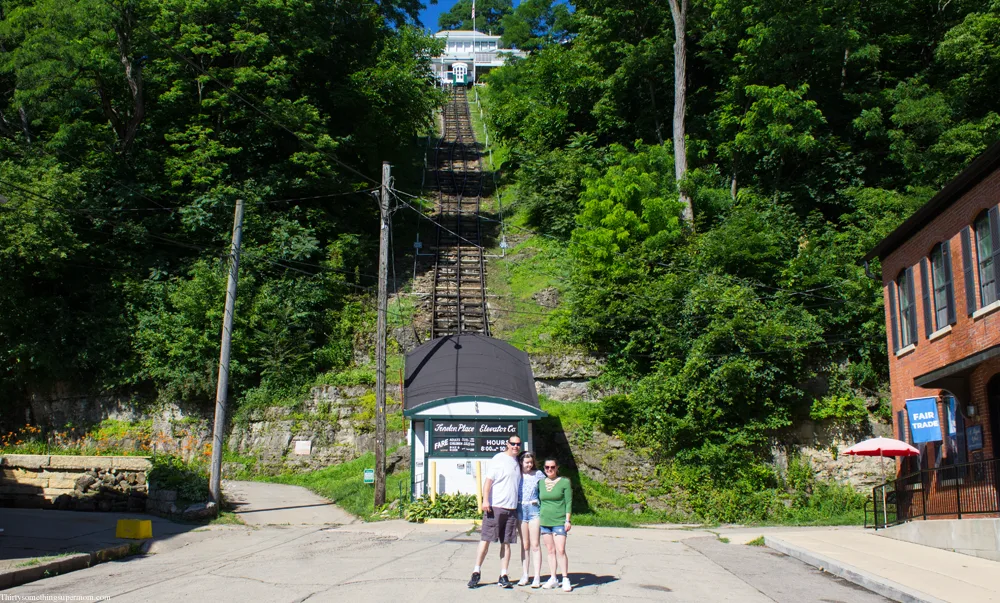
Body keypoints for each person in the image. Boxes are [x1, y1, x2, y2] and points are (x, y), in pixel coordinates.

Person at [468, 435, 522, 589]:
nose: (515, 446)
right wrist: (485, 501)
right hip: (496, 506)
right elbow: (488, 481)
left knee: (506, 543)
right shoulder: (498, 458)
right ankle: (476, 572)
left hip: (511, 509)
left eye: (518, 444)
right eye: (512, 443)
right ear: (507, 444)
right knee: (486, 539)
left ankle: (503, 575)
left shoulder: (518, 462)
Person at [539, 457, 573, 592]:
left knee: (560, 550)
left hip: (559, 520)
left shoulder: (564, 482)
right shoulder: (541, 483)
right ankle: (553, 578)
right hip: (545, 521)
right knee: (550, 550)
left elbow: (568, 502)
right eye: (547, 467)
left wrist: (567, 520)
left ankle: (565, 578)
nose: (549, 470)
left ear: (557, 467)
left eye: (552, 467)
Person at [516, 451, 544, 588]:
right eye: (526, 462)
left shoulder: (538, 474)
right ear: (521, 462)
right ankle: (525, 574)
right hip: (521, 509)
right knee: (524, 545)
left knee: (535, 544)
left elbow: (546, 488)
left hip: (534, 509)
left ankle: (537, 576)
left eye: (531, 462)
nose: (529, 464)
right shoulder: (517, 475)